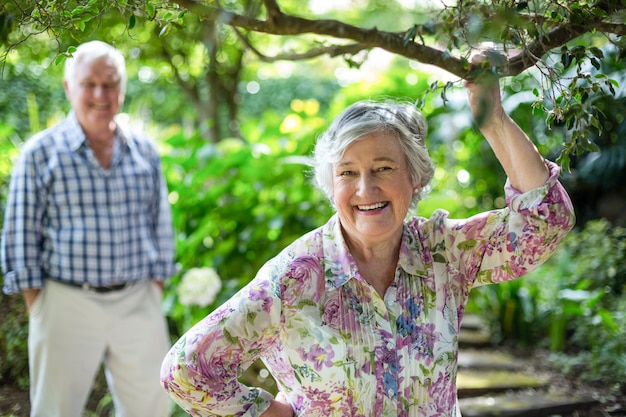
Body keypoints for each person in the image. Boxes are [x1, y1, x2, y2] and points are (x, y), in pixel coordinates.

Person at [160, 54, 575, 417]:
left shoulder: (444, 250)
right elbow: (186, 369)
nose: (365, 189)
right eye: (347, 173)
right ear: (331, 185)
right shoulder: (297, 276)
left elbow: (546, 218)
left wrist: (492, 115)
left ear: (415, 178)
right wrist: (267, 412)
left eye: (383, 168)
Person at [0, 40, 176, 417]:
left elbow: (160, 223)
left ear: (122, 89)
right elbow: (20, 237)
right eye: (89, 84)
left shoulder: (144, 151)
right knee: (55, 411)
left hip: (137, 300)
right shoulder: (40, 154)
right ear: (68, 87)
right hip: (66, 301)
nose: (101, 94)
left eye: (110, 84)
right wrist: (41, 308)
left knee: (151, 409)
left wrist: (154, 288)